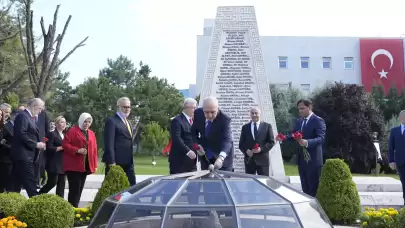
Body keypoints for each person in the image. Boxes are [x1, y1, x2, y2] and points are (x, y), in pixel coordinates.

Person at [276, 99, 326, 197]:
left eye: (302, 108)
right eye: (299, 109)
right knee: (304, 186)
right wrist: (284, 137)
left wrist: (307, 142)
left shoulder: (318, 121)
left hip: (313, 159)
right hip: (301, 159)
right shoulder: (299, 121)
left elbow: (321, 138)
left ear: (309, 107)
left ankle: (314, 209)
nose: (300, 111)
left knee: (313, 187)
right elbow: (294, 135)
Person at [11, 98, 46, 197]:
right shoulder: (23, 116)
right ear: (34, 106)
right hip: (23, 156)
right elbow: (21, 134)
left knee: (15, 184)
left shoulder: (29, 117)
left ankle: (11, 205)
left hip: (25, 155)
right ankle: (37, 205)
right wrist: (36, 144)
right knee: (31, 184)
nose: (40, 111)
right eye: (40, 108)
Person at [62, 113, 98, 207]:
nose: (87, 124)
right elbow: (65, 145)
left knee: (80, 189)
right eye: (85, 121)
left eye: (89, 122)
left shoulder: (91, 133)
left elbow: (94, 150)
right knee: (74, 190)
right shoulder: (72, 131)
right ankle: (72, 209)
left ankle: (75, 209)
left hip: (85, 167)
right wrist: (77, 150)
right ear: (81, 121)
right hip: (73, 166)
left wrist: (95, 164)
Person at [191, 96, 234, 171]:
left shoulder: (225, 120)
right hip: (205, 156)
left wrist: (221, 158)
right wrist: (197, 146)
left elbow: (227, 140)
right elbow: (193, 133)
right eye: (206, 112)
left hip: (222, 157)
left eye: (213, 112)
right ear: (203, 109)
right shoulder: (198, 114)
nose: (209, 115)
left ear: (218, 109)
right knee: (206, 181)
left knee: (222, 182)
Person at [103, 97, 135, 186]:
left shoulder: (128, 122)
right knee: (112, 187)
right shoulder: (112, 121)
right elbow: (109, 143)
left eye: (128, 107)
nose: (127, 109)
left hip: (128, 161)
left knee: (132, 187)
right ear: (118, 107)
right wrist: (112, 162)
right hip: (116, 162)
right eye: (124, 107)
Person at [239, 107, 275, 176]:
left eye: (256, 113)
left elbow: (271, 142)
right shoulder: (245, 127)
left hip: (263, 161)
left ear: (260, 114)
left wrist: (261, 149)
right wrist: (246, 151)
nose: (254, 115)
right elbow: (241, 144)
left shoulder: (267, 126)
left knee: (263, 183)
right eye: (252, 113)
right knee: (249, 183)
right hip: (249, 161)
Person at [39, 116, 67, 198]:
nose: (64, 124)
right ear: (56, 124)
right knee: (52, 182)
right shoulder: (51, 134)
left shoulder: (65, 135)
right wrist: (63, 147)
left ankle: (60, 203)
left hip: (63, 163)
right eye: (62, 122)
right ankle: (38, 195)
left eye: (65, 122)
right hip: (53, 163)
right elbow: (49, 148)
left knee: (61, 185)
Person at [169, 98, 197, 174]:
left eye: (195, 108)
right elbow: (176, 138)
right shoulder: (177, 121)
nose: (195, 110)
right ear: (186, 107)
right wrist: (188, 151)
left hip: (192, 162)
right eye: (193, 107)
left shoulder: (194, 121)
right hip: (179, 162)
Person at [388, 110, 405, 204]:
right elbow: (391, 147)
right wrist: (391, 160)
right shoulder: (394, 131)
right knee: (404, 182)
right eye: (403, 117)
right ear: (400, 118)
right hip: (400, 162)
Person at [0, 109, 17, 192]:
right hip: (6, 157)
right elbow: (1, 141)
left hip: (15, 158)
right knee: (7, 180)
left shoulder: (19, 127)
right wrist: (11, 147)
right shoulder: (5, 127)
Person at [35, 110, 50, 188]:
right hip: (31, 141)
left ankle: (37, 181)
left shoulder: (43, 114)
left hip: (41, 142)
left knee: (39, 163)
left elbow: (46, 130)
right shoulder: (28, 113)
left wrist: (45, 142)